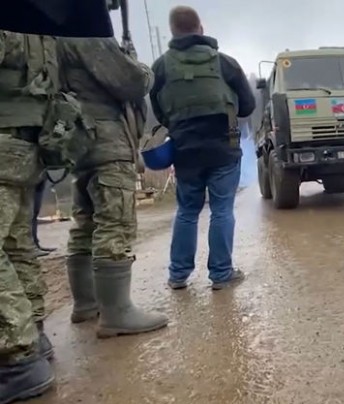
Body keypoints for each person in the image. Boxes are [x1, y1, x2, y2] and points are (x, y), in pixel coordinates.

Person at [57, 30, 169, 338]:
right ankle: (116, 312)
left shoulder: (50, 33)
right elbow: (131, 81)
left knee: (86, 221)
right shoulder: (83, 30)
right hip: (106, 139)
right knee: (114, 223)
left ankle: (85, 303)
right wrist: (140, 66)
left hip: (78, 139)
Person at [149, 6, 256, 291]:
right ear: (200, 28)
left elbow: (158, 109)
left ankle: (178, 275)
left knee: (187, 211)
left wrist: (179, 124)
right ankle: (221, 275)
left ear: (173, 31)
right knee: (222, 210)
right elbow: (248, 105)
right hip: (224, 148)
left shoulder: (161, 66)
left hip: (185, 151)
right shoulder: (225, 63)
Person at [0, 30, 56, 404]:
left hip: (6, 133)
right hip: (28, 138)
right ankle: (31, 336)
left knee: (16, 242)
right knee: (17, 243)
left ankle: (17, 357)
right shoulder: (37, 21)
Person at [32, 172, 57, 257]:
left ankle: (34, 244)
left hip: (38, 173)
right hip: (23, 175)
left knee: (34, 212)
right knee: (28, 213)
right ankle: (29, 246)